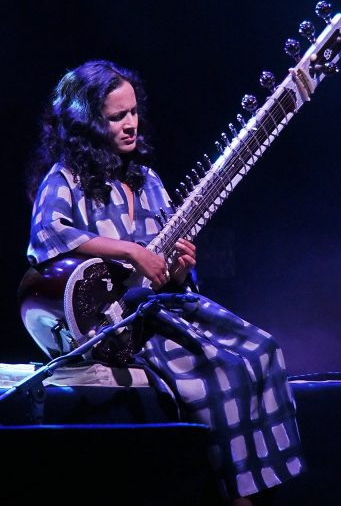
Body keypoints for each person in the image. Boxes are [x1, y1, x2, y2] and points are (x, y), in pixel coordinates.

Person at [26, 59, 306, 505]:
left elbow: (171, 271)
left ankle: (266, 484)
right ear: (87, 123)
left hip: (162, 306)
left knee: (265, 350)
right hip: (115, 322)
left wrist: (177, 268)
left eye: (133, 112)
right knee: (226, 373)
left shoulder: (148, 180)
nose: (130, 124)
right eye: (117, 117)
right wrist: (132, 251)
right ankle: (238, 496)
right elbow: (47, 238)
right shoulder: (67, 180)